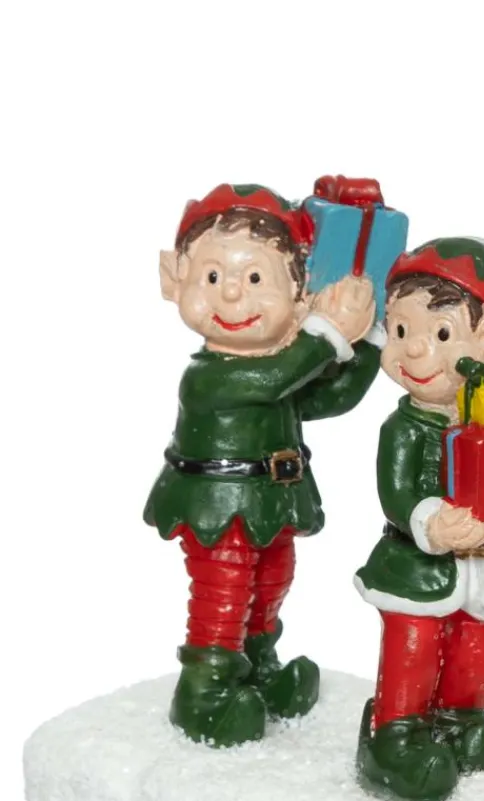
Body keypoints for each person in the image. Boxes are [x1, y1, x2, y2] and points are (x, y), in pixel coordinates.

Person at [146, 183, 379, 746]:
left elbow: (327, 397)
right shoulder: (209, 376)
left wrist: (368, 335)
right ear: (174, 279)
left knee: (272, 580)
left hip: (272, 502)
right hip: (215, 506)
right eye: (211, 276)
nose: (232, 293)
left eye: (256, 279)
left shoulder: (284, 368)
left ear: (300, 298)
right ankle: (205, 690)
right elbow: (271, 379)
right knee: (223, 592)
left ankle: (256, 665)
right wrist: (329, 332)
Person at [354, 238, 484, 801]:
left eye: (441, 333)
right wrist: (431, 522)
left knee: (477, 654)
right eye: (399, 330)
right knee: (413, 651)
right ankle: (395, 730)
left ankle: (461, 718)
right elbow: (396, 492)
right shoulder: (404, 429)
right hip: (416, 572)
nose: (414, 350)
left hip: (483, 573)